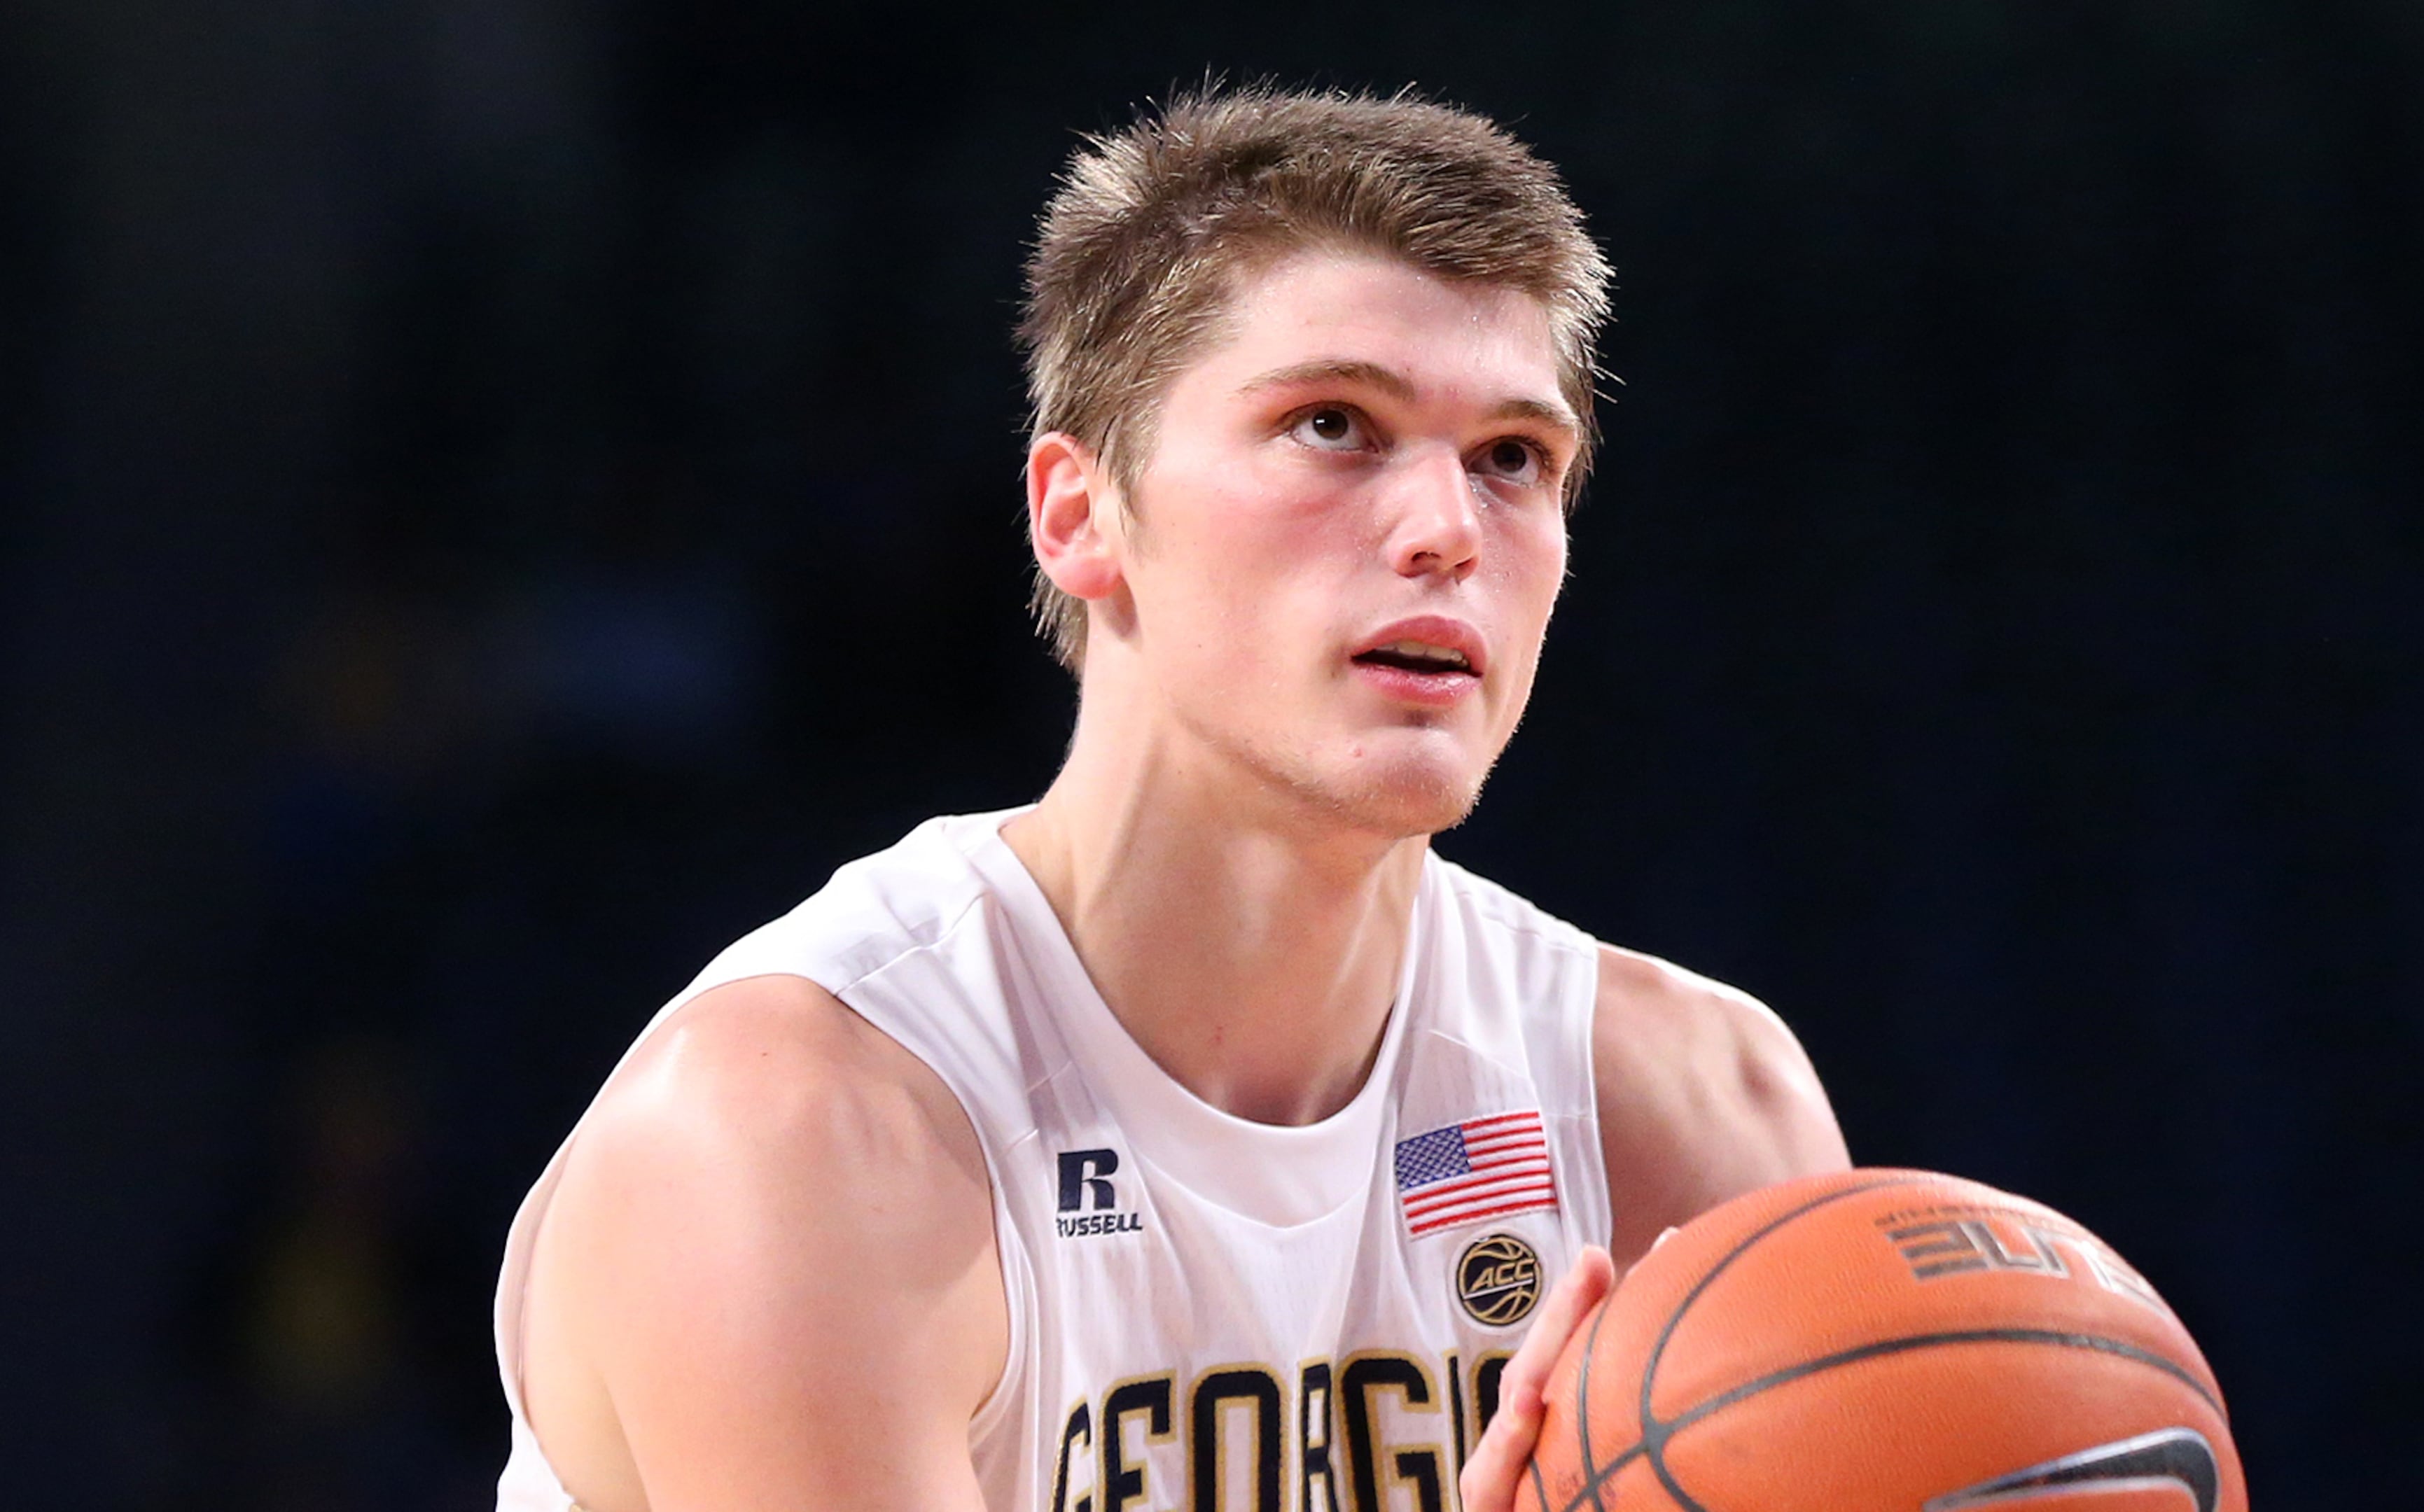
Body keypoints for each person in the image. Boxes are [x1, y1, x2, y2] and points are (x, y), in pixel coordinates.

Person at [490, 84, 1849, 1512]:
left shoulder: (1689, 1114)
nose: (1450, 531)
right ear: (1079, 515)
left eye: (1514, 458)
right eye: (1334, 424)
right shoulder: (798, 1131)